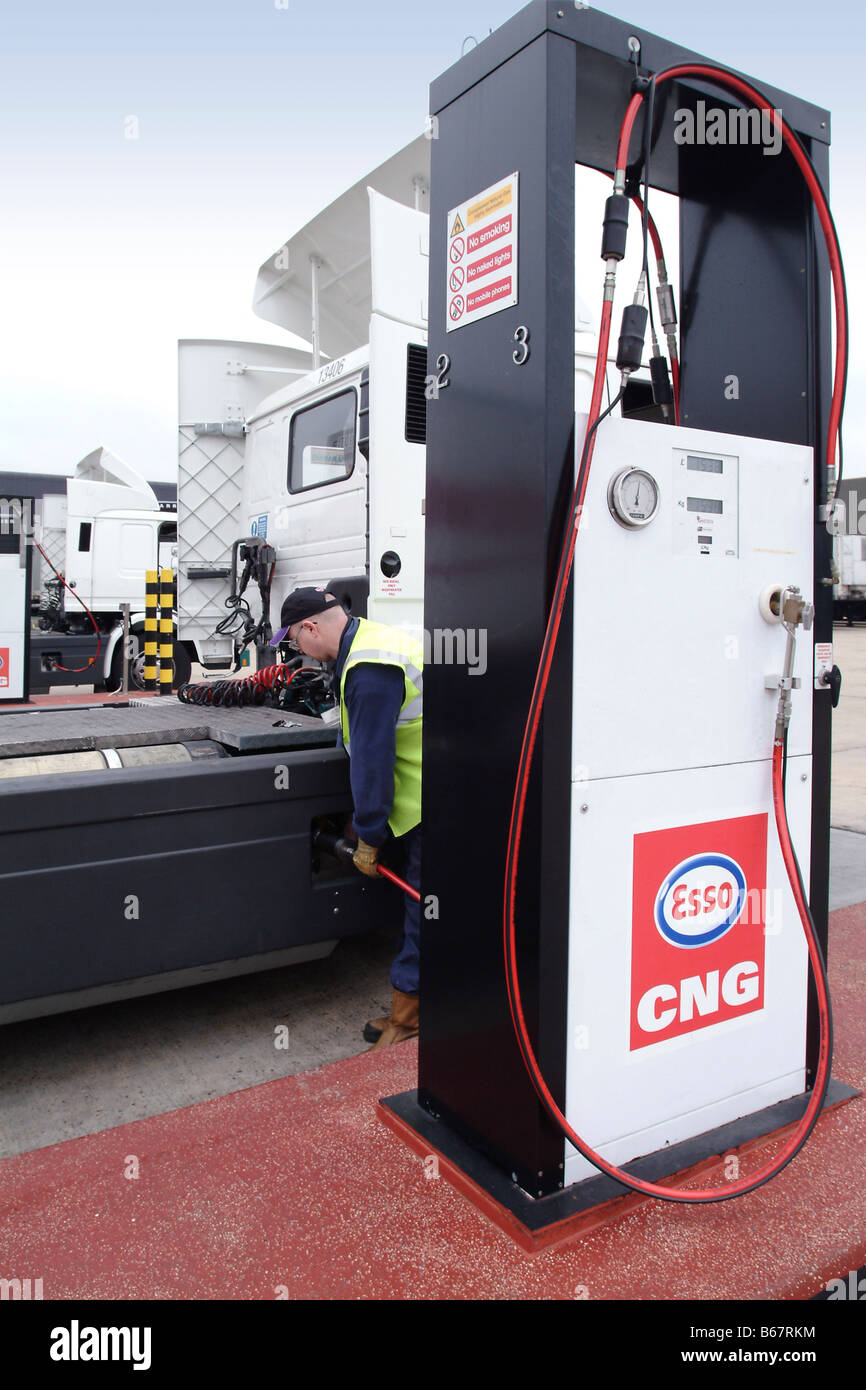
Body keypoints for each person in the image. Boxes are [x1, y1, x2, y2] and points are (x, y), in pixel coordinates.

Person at [273, 586, 423, 1049]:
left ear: (311, 627)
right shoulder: (371, 640)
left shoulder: (368, 669)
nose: (299, 651)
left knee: (424, 911)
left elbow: (372, 761)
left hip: (432, 799)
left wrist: (370, 836)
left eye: (296, 640)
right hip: (433, 790)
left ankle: (408, 1019)